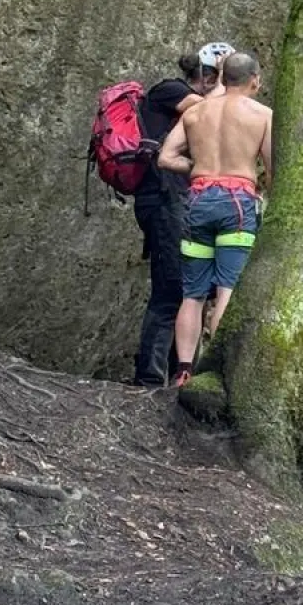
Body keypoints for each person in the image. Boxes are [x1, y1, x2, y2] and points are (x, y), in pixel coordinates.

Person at [158, 52, 272, 387]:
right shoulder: (262, 114)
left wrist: (199, 169)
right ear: (254, 79)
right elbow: (273, 168)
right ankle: (215, 371)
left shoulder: (196, 112)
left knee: (192, 293)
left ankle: (182, 371)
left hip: (198, 199)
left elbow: (166, 157)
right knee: (227, 288)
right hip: (238, 201)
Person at [130, 44, 229, 386]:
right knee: (171, 289)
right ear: (205, 74)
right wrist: (224, 78)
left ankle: (179, 371)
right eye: (218, 77)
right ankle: (150, 378)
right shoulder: (169, 90)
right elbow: (209, 112)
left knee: (190, 287)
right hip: (161, 199)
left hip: (177, 201)